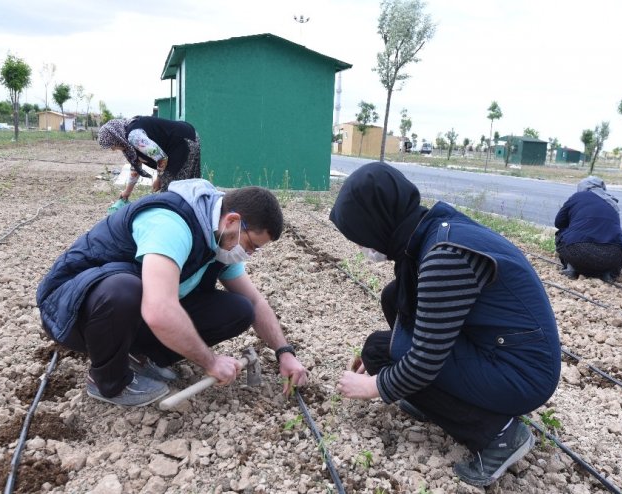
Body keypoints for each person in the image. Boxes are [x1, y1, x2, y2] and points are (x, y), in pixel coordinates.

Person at [329, 162, 561, 488]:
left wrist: (373, 387)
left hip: (522, 372)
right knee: (381, 341)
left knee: (390, 360)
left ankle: (497, 434)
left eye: (361, 235)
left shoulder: (444, 257)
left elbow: (424, 362)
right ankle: (440, 401)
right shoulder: (434, 227)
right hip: (499, 349)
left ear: (376, 222)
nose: (364, 247)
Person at [36, 178, 307, 407]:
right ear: (233, 220)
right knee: (125, 290)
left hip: (130, 315)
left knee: (239, 310)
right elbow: (158, 310)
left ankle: (138, 357)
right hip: (71, 308)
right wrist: (210, 361)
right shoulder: (173, 224)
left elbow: (255, 301)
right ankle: (109, 381)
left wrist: (285, 353)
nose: (247, 254)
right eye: (251, 245)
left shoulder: (219, 239)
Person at [98, 116, 201, 201]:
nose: (113, 149)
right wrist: (127, 192)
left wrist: (159, 178)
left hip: (183, 141)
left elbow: (161, 158)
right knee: (180, 191)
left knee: (174, 191)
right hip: (181, 140)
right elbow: (136, 169)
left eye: (112, 145)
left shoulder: (134, 137)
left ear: (116, 137)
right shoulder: (129, 145)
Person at [554, 176, 622, 282]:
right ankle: (610, 273)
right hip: (610, 257)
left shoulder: (578, 197)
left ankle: (571, 267)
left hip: (578, 253)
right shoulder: (611, 202)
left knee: (562, 233)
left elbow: (559, 223)